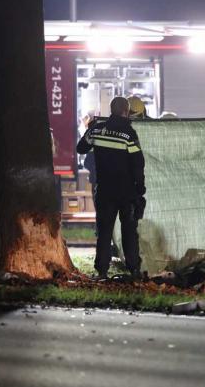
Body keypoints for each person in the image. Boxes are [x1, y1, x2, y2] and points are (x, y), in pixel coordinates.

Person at [76, 97, 146, 281]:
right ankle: (134, 270)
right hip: (126, 192)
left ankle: (102, 271)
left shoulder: (98, 130)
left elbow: (81, 148)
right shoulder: (128, 134)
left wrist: (90, 129)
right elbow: (138, 164)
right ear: (125, 111)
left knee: (104, 231)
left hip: (105, 191)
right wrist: (140, 189)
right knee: (129, 231)